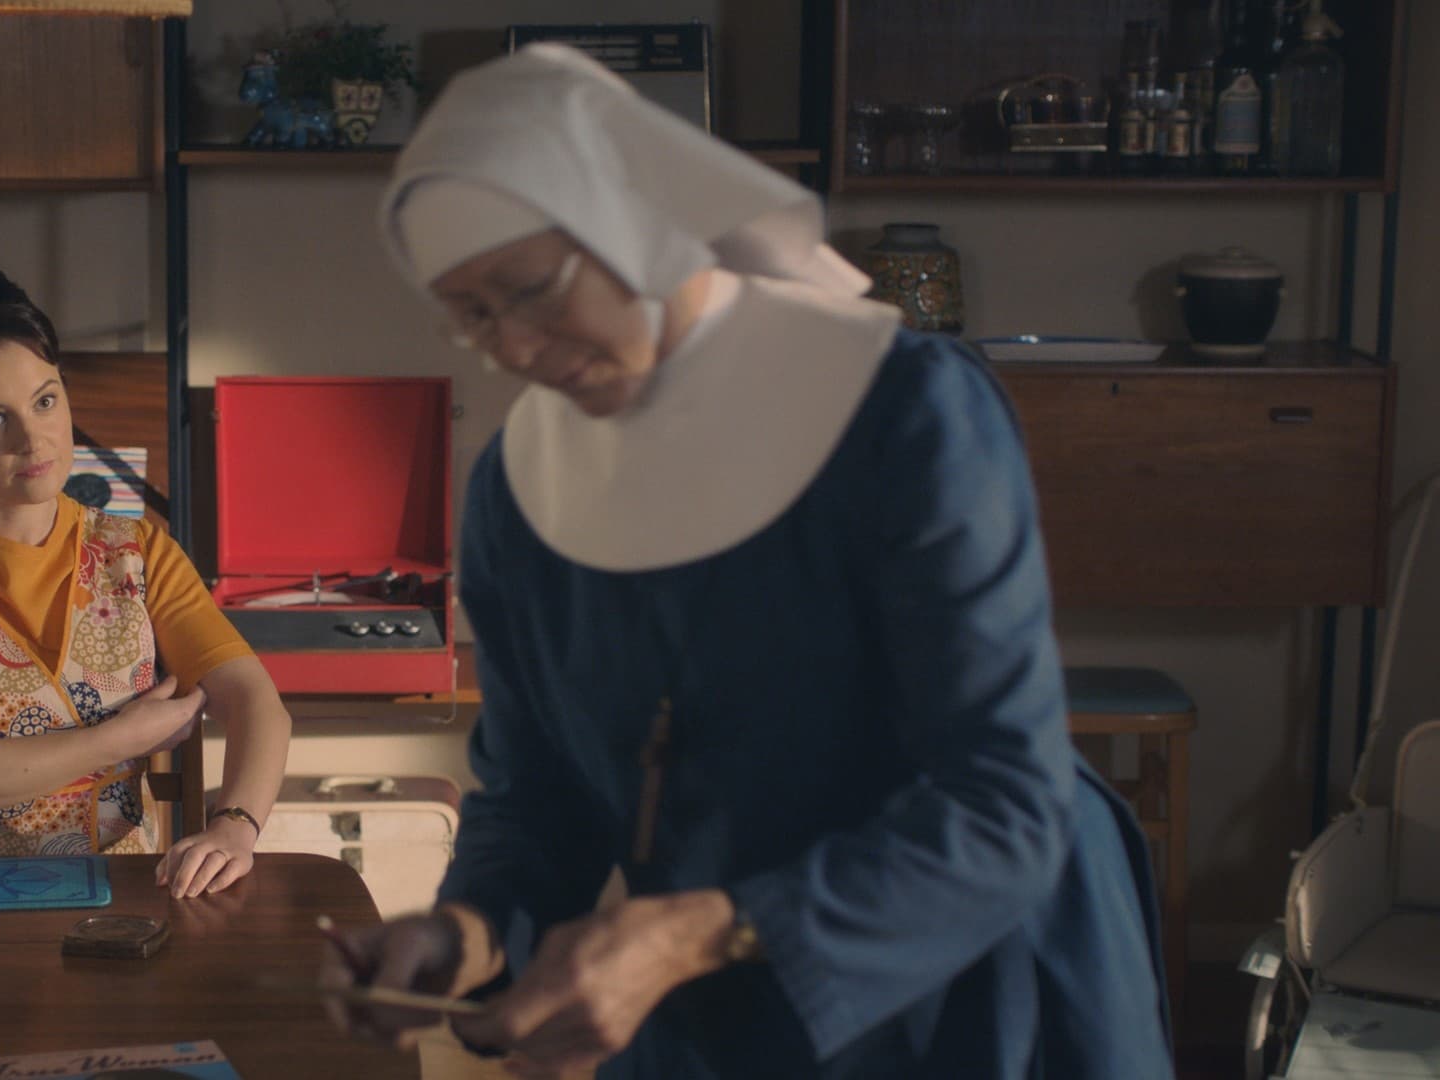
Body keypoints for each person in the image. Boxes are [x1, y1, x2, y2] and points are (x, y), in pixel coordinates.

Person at [319, 45, 1174, 1078]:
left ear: (633, 219)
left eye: (530, 290)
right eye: (471, 315)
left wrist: (695, 932)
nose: (514, 348)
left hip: (954, 977)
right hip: (698, 982)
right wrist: (464, 933)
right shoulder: (516, 493)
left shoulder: (901, 414)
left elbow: (1004, 806)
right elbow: (535, 798)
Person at [0, 260, 290, 899]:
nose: (34, 439)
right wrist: (118, 739)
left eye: (45, 401)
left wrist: (235, 827)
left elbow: (256, 701)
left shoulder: (138, 552)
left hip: (121, 893)